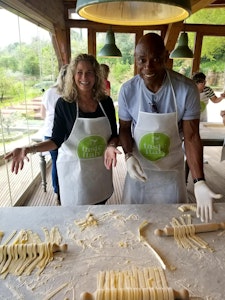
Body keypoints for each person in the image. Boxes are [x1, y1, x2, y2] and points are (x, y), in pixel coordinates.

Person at [117, 33, 222, 223]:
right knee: (134, 222)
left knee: (173, 223)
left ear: (165, 57)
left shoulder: (186, 89)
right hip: (139, 170)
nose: (148, 67)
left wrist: (199, 181)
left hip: (171, 172)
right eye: (142, 60)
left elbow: (191, 137)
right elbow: (124, 128)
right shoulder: (127, 90)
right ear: (135, 59)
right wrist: (128, 155)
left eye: (155, 59)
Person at [5, 54, 120, 206]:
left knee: (99, 215)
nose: (84, 77)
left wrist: (111, 146)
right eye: (79, 72)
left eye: (89, 72)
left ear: (96, 75)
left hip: (100, 173)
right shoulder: (64, 104)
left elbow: (114, 135)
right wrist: (28, 149)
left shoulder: (106, 102)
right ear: (72, 75)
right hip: (74, 176)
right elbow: (55, 140)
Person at [40, 64, 68, 205]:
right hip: (62, 134)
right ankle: (66, 190)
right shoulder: (69, 93)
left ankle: (58, 192)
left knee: (56, 163)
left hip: (48, 132)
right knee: (65, 163)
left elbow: (42, 114)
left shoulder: (49, 92)